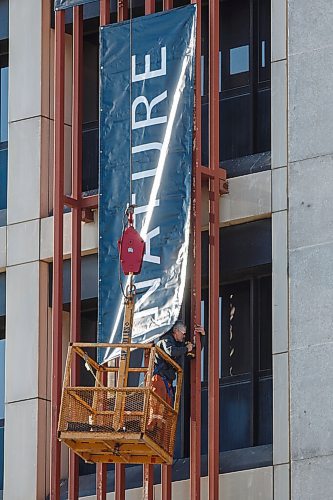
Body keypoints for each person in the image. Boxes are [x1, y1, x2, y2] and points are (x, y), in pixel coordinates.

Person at [147, 321, 204, 444]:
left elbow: (194, 353)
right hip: (159, 379)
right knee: (157, 407)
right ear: (176, 331)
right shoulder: (165, 340)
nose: (184, 336)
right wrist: (185, 348)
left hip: (166, 382)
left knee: (165, 410)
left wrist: (201, 337)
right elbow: (171, 352)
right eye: (183, 333)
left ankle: (159, 436)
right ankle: (150, 430)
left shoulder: (178, 345)